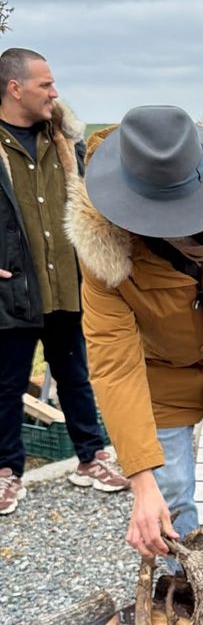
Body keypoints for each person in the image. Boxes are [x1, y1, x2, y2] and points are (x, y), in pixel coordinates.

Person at [65, 103, 203, 569]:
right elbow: (114, 364)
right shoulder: (104, 250)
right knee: (172, 493)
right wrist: (142, 480)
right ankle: (184, 585)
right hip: (160, 376)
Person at [0, 47, 128, 515]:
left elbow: (92, 202)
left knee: (76, 378)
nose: (55, 93)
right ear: (15, 89)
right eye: (45, 85)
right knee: (6, 386)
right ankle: (6, 473)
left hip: (66, 286)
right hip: (12, 289)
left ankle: (91, 459)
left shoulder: (65, 143)